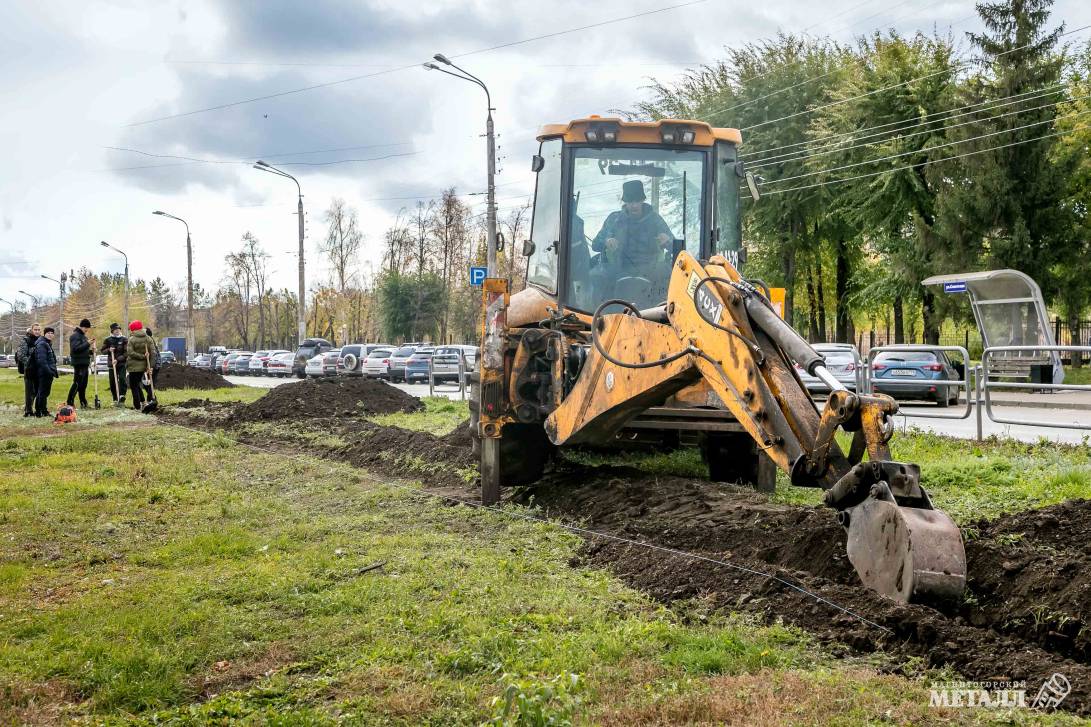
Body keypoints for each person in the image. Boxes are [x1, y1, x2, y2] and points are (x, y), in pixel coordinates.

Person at [590, 180, 675, 298]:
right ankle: (599, 312)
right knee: (595, 275)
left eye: (637, 201)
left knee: (670, 274)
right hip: (618, 271)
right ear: (625, 202)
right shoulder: (614, 220)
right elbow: (595, 245)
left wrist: (668, 242)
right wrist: (606, 241)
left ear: (642, 200)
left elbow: (677, 249)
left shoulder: (655, 220)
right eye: (630, 201)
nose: (634, 205)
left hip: (651, 272)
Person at [66, 318, 95, 409]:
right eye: (85, 327)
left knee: (84, 384)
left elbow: (83, 350)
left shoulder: (84, 337)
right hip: (78, 363)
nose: (86, 329)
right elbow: (75, 349)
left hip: (84, 363)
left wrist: (91, 351)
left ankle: (83, 402)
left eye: (87, 328)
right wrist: (88, 343)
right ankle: (70, 401)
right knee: (77, 383)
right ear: (81, 326)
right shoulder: (75, 336)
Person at [125, 321, 153, 410]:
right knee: (137, 384)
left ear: (133, 329)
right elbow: (153, 353)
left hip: (133, 367)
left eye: (131, 329)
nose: (131, 331)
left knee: (134, 386)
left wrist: (141, 356)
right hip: (143, 367)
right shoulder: (148, 338)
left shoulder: (132, 339)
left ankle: (137, 406)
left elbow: (130, 352)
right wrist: (150, 366)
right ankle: (143, 402)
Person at [15, 323, 41, 417]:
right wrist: (30, 363)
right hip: (29, 370)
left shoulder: (41, 340)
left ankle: (33, 408)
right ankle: (28, 411)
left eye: (39, 330)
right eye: (35, 330)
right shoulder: (25, 340)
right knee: (29, 391)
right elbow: (21, 355)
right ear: (32, 330)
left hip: (39, 370)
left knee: (37, 391)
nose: (37, 331)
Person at [33, 327, 59, 417]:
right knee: (42, 392)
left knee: (44, 393)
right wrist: (49, 372)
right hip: (44, 373)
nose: (50, 334)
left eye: (52, 333)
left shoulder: (47, 343)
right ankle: (40, 411)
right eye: (48, 333)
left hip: (47, 372)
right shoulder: (42, 344)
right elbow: (42, 361)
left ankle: (42, 410)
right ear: (44, 334)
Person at [101, 323, 128, 404]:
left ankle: (122, 395)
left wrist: (117, 360)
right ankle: (115, 398)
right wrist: (109, 350)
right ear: (112, 331)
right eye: (116, 330)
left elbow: (126, 353)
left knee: (122, 379)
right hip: (111, 364)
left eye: (119, 330)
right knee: (112, 381)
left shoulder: (124, 339)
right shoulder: (108, 340)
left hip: (121, 364)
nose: (117, 331)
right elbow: (102, 351)